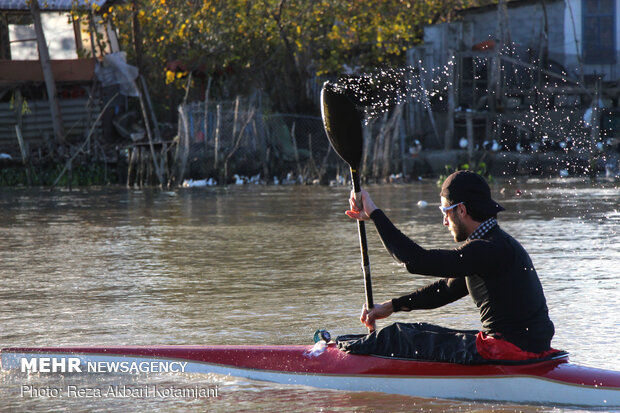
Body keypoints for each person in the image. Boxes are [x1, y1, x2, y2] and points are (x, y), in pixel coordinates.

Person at [345, 170, 555, 357]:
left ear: (461, 210)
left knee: (394, 337)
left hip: (507, 351)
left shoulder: (486, 249)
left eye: (445, 212)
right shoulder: (498, 244)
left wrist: (374, 213)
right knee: (415, 330)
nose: (444, 221)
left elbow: (416, 261)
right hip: (530, 347)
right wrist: (393, 306)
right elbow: (446, 289)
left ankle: (346, 356)